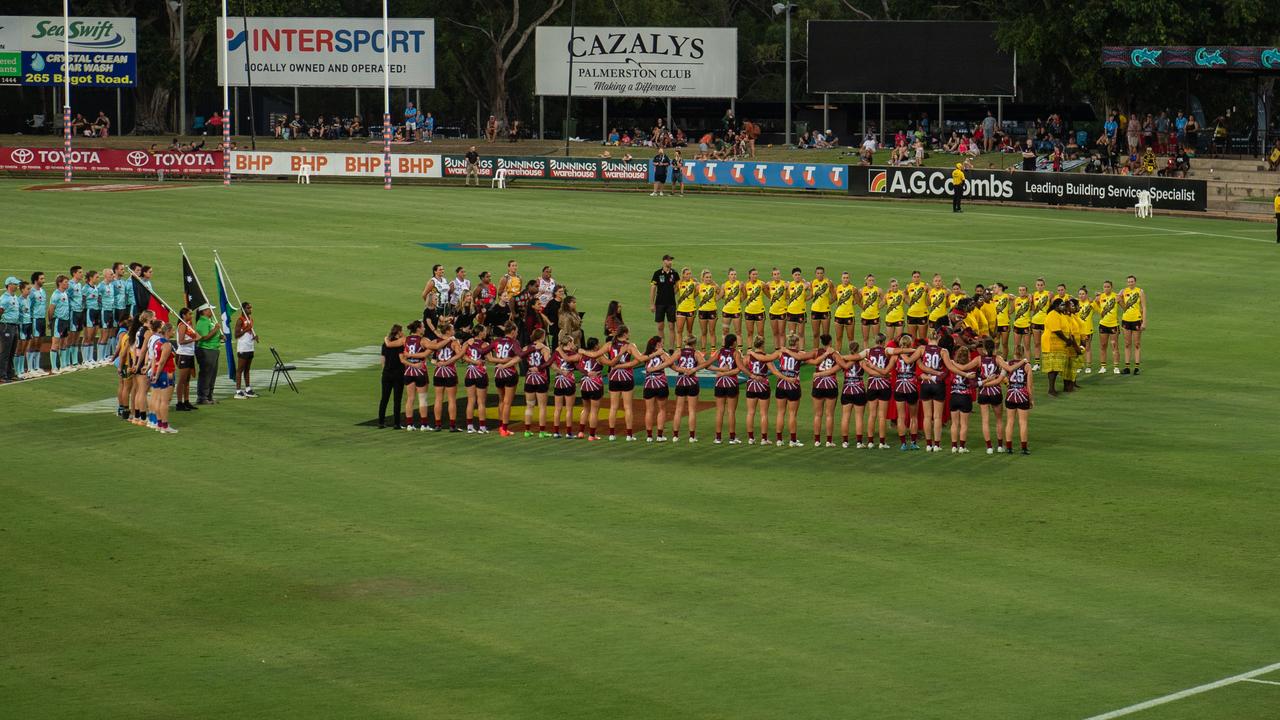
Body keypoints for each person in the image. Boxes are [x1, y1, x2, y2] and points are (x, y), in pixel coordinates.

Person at [770, 334, 812, 447]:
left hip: (781, 385)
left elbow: (768, 360)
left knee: (780, 413)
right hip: (793, 386)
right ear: (797, 343)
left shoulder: (780, 352)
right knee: (792, 414)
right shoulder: (799, 354)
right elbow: (812, 360)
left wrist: (776, 372)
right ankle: (792, 440)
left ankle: (779, 440)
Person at [602, 326, 641, 441]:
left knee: (613, 407)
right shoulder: (630, 346)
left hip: (614, 377)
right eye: (628, 333)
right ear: (624, 334)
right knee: (628, 407)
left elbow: (598, 354)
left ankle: (611, 434)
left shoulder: (609, 345)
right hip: (627, 378)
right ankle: (629, 435)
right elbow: (639, 359)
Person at [743, 339, 778, 445]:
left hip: (751, 386)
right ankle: (764, 439)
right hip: (763, 386)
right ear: (762, 345)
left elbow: (742, 368)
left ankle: (750, 438)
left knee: (750, 413)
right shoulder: (766, 357)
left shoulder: (748, 357)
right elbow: (774, 371)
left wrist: (751, 375)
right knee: (763, 414)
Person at [489, 323, 521, 436]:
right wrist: (509, 360)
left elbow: (484, 351)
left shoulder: (497, 341)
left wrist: (496, 359)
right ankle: (504, 428)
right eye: (516, 331)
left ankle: (500, 426)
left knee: (501, 400)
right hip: (510, 373)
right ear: (512, 331)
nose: (517, 333)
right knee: (507, 402)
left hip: (498, 373)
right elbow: (520, 355)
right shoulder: (514, 342)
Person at [711, 334, 744, 444]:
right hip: (732, 384)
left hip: (719, 383)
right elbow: (738, 369)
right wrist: (728, 372)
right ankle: (732, 438)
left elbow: (707, 364)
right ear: (734, 342)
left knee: (719, 411)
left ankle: (718, 438)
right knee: (731, 412)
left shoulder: (719, 351)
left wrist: (720, 371)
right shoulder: (736, 353)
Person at [862, 333, 893, 449]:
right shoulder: (886, 352)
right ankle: (882, 442)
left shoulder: (868, 352)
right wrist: (884, 375)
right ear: (883, 342)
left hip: (872, 385)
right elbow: (888, 372)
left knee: (872, 414)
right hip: (884, 386)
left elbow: (868, 370)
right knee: (882, 415)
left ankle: (870, 442)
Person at [431, 323, 463, 432]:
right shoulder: (454, 342)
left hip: (438, 372)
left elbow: (431, 357)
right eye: (452, 329)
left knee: (438, 399)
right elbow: (460, 355)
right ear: (448, 331)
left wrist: (438, 363)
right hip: (450, 372)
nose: (454, 330)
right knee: (451, 399)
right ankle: (452, 425)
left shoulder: (436, 342)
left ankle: (438, 425)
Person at [809, 334, 839, 447]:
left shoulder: (816, 352)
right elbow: (841, 365)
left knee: (817, 414)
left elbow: (810, 360)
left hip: (818, 385)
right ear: (830, 341)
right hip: (831, 385)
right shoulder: (835, 353)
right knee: (829, 415)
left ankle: (817, 440)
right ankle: (829, 441)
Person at [520, 329, 551, 438]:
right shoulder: (545, 349)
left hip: (529, 379)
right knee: (542, 407)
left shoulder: (526, 348)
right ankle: (542, 432)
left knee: (529, 406)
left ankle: (527, 430)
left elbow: (520, 357)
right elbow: (547, 363)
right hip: (541, 379)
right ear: (542, 336)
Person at [400, 321, 431, 430]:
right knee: (422, 398)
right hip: (420, 371)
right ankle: (424, 425)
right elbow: (428, 352)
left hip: (408, 371)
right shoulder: (424, 340)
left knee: (410, 398)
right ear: (418, 329)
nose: (424, 329)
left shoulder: (405, 339)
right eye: (422, 327)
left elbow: (390, 343)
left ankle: (409, 424)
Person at [460, 325, 491, 433]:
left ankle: (469, 427)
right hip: (481, 373)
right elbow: (489, 358)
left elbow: (462, 356)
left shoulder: (467, 343)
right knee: (481, 402)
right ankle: (482, 427)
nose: (486, 332)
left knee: (470, 401)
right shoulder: (485, 344)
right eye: (485, 331)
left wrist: (472, 361)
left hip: (469, 373)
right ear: (481, 333)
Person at [1003, 350, 1034, 455]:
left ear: (1014, 353)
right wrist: (1031, 399)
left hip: (1010, 395)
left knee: (1010, 421)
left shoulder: (1008, 364)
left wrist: (1008, 384)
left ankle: (1009, 448)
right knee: (1023, 422)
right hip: (1022, 396)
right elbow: (1029, 386)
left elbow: (1002, 377)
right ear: (1022, 354)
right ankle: (1024, 448)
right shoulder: (1027, 366)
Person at [550, 334, 580, 439]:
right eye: (572, 342)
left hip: (558, 381)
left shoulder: (557, 352)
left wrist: (560, 371)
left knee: (557, 409)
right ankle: (568, 433)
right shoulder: (573, 354)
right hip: (569, 381)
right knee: (569, 409)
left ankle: (556, 432)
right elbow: (578, 366)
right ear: (569, 343)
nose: (574, 344)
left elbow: (551, 363)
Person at [576, 338, 607, 440]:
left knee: (585, 409)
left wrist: (586, 373)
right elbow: (610, 363)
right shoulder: (599, 356)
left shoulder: (582, 355)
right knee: (594, 411)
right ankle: (592, 435)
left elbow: (576, 365)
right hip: (595, 384)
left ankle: (580, 432)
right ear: (595, 346)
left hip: (584, 384)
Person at [377, 324, 406, 429]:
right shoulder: (400, 344)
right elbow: (402, 359)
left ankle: (381, 422)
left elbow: (383, 359)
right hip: (398, 374)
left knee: (384, 398)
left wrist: (384, 370)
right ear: (398, 332)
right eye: (402, 331)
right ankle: (397, 423)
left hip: (387, 374)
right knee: (397, 400)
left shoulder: (385, 343)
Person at [193, 305, 221, 404]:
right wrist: (216, 329)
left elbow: (212, 335)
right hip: (206, 350)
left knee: (212, 374)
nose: (212, 311)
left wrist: (220, 336)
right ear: (204, 311)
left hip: (213, 349)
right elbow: (204, 337)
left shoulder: (209, 321)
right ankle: (202, 397)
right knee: (206, 374)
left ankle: (209, 396)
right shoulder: (202, 322)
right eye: (210, 310)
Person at [649, 254, 678, 348]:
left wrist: (672, 293)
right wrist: (652, 304)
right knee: (660, 327)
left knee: (671, 327)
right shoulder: (657, 273)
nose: (670, 262)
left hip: (671, 304)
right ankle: (661, 348)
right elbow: (653, 288)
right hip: (660, 303)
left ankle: (671, 349)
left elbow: (678, 286)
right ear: (664, 261)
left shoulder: (674, 273)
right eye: (669, 260)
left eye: (671, 260)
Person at [1120, 275, 1147, 375]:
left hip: (1136, 320)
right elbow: (1121, 305)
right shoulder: (1124, 291)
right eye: (1129, 282)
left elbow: (1144, 307)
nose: (1130, 283)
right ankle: (1127, 367)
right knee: (1127, 344)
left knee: (1137, 344)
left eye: (1132, 281)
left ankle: (1136, 367)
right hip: (1126, 320)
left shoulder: (1140, 292)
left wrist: (1144, 321)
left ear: (1135, 282)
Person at [173, 308, 198, 411]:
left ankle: (186, 401)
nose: (191, 316)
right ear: (183, 315)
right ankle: (179, 403)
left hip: (189, 354)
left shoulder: (188, 325)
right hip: (183, 354)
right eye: (189, 314)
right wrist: (194, 339)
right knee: (182, 380)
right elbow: (181, 341)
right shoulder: (182, 325)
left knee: (187, 381)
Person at [233, 301, 258, 399]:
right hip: (242, 348)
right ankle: (238, 391)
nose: (250, 309)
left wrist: (254, 336)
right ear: (243, 309)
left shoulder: (250, 319)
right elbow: (236, 335)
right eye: (248, 308)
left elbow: (249, 333)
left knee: (247, 369)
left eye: (251, 307)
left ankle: (248, 389)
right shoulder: (240, 320)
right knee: (240, 370)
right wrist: (247, 329)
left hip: (250, 347)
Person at [47, 275, 70, 373]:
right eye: (65, 282)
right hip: (58, 321)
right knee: (55, 344)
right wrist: (50, 321)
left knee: (64, 343)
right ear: (60, 283)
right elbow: (51, 309)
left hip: (65, 321)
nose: (67, 284)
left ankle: (63, 365)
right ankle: (54, 367)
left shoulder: (64, 293)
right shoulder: (56, 294)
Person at [0, 277, 20, 382]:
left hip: (14, 326)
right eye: (15, 284)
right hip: (6, 326)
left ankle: (10, 373)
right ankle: (2, 375)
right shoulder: (5, 298)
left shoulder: (14, 297)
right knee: (5, 352)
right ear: (9, 285)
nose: (17, 286)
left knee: (12, 351)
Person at [808, 267, 833, 350]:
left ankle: (827, 351)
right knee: (815, 334)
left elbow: (834, 295)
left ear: (824, 274)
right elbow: (811, 295)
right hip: (815, 310)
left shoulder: (828, 283)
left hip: (825, 311)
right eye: (818, 273)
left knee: (825, 335)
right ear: (815, 274)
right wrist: (803, 299)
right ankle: (816, 351)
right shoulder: (813, 283)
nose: (819, 275)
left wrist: (828, 303)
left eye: (821, 273)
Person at [695, 270, 719, 354]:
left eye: (710, 277)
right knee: (703, 332)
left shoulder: (715, 287)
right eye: (707, 277)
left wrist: (716, 299)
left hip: (712, 310)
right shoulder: (699, 287)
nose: (709, 279)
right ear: (703, 278)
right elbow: (693, 296)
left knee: (712, 331)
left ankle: (713, 350)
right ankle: (703, 350)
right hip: (702, 311)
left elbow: (721, 294)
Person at [742, 268, 766, 350]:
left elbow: (769, 294)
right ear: (749, 275)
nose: (755, 276)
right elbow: (744, 296)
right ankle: (749, 349)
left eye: (756, 274)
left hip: (760, 311)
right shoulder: (746, 285)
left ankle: (761, 349)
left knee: (760, 333)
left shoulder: (762, 284)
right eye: (753, 274)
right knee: (750, 332)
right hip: (749, 312)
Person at [832, 271, 857, 349]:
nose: (845, 279)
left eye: (847, 278)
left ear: (849, 279)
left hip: (849, 315)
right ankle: (838, 354)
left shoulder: (853, 288)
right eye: (844, 278)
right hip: (838, 315)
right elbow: (833, 299)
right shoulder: (837, 288)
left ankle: (852, 355)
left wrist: (854, 300)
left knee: (851, 338)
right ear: (841, 279)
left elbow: (858, 300)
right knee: (838, 338)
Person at [674, 266, 697, 348]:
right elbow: (673, 292)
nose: (689, 275)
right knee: (679, 330)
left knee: (689, 330)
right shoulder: (679, 283)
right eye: (687, 274)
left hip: (691, 309)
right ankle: (679, 348)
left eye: (690, 274)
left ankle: (689, 347)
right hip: (681, 309)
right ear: (683, 275)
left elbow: (697, 293)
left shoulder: (694, 283)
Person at [784, 268, 809, 347]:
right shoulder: (789, 285)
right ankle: (793, 350)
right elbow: (787, 296)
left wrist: (806, 299)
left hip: (801, 312)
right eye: (796, 275)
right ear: (792, 276)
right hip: (791, 312)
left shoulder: (804, 285)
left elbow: (812, 291)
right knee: (792, 333)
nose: (797, 276)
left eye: (799, 275)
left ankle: (801, 350)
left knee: (801, 333)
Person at [1029, 278, 1050, 370]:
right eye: (1038, 285)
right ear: (1036, 286)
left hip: (1045, 322)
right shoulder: (1034, 295)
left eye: (1041, 285)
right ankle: (1037, 363)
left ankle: (1047, 362)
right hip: (1035, 322)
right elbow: (1033, 308)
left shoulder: (1048, 294)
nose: (1039, 286)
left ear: (1044, 285)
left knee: (1046, 343)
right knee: (1037, 343)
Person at [720, 268, 744, 346]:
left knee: (738, 332)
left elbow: (745, 294)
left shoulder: (740, 284)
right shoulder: (724, 285)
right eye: (732, 274)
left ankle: (739, 351)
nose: (733, 276)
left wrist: (739, 301)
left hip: (736, 311)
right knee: (725, 331)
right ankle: (725, 349)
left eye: (735, 274)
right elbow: (722, 295)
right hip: (726, 311)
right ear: (728, 276)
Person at [767, 268, 788, 351]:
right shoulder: (769, 284)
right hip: (772, 311)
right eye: (775, 274)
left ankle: (782, 351)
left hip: (782, 311)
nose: (777, 276)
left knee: (782, 332)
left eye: (778, 274)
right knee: (775, 333)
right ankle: (777, 350)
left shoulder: (785, 284)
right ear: (772, 276)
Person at [859, 273, 883, 346]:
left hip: (875, 316)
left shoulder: (878, 290)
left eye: (872, 280)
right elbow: (855, 302)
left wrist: (879, 307)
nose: (871, 282)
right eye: (869, 280)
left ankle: (876, 353)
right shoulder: (862, 290)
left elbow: (885, 300)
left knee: (876, 338)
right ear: (866, 281)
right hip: (865, 317)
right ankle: (866, 354)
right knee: (865, 338)